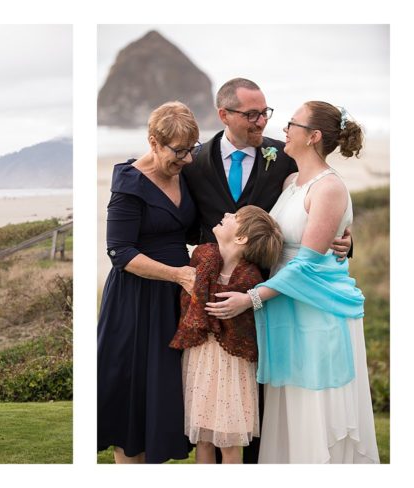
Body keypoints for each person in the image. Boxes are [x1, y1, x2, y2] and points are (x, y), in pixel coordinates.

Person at [183, 78, 352, 463]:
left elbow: (321, 206)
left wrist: (345, 239)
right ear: (223, 114)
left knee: (264, 399)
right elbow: (183, 221)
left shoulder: (285, 157)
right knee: (221, 403)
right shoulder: (194, 162)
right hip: (219, 296)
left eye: (266, 113)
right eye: (251, 115)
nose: (262, 122)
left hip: (271, 295)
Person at [97, 101, 198, 464]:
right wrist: (178, 274)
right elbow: (120, 252)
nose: (186, 159)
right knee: (132, 408)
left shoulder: (185, 172)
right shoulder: (129, 186)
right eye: (179, 150)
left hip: (174, 301)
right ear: (153, 141)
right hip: (136, 303)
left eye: (192, 149)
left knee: (163, 404)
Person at [169, 206, 283, 464]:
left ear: (241, 238)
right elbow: (189, 305)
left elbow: (247, 329)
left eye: (235, 217)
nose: (227, 214)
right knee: (203, 440)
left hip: (234, 366)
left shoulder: (249, 279)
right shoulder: (202, 256)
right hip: (200, 357)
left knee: (231, 443)